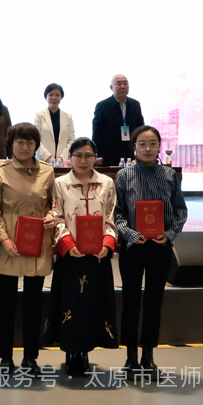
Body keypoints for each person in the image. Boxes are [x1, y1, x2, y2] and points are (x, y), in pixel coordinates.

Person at [114, 125, 187, 377]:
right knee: (131, 300)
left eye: (153, 143)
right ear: (134, 147)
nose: (147, 148)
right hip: (133, 247)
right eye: (142, 143)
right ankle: (130, 357)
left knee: (154, 301)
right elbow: (117, 213)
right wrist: (131, 235)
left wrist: (169, 234)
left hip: (160, 247)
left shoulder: (169, 175)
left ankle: (148, 356)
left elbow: (180, 211)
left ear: (159, 147)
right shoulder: (123, 175)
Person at [45, 137, 118, 377]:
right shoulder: (60, 184)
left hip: (98, 256)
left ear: (95, 158)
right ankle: (71, 351)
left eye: (88, 155)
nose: (83, 160)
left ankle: (85, 351)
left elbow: (111, 217)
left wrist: (107, 244)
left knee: (93, 305)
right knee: (71, 304)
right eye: (78, 155)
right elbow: (55, 217)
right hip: (71, 255)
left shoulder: (106, 183)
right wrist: (67, 243)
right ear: (70, 158)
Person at [0, 122, 54, 376]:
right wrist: (3, 238)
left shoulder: (47, 171)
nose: (25, 147)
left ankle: (30, 358)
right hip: (9, 242)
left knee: (34, 303)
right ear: (11, 144)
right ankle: (5, 357)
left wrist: (51, 216)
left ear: (36, 145)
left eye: (30, 142)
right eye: (20, 142)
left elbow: (53, 203)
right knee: (6, 302)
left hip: (37, 241)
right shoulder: (0, 172)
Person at [92, 74, 144, 166]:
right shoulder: (103, 106)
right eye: (119, 84)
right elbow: (97, 132)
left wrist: (140, 151)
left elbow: (141, 129)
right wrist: (98, 155)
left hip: (129, 153)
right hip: (108, 154)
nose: (122, 86)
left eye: (125, 83)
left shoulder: (135, 104)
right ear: (111, 87)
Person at [33, 83, 75, 165]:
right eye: (51, 95)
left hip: (62, 162)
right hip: (43, 160)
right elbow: (36, 139)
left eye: (57, 95)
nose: (54, 98)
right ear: (46, 97)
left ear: (61, 97)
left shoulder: (68, 117)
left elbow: (71, 140)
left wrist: (62, 158)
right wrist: (48, 157)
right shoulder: (39, 115)